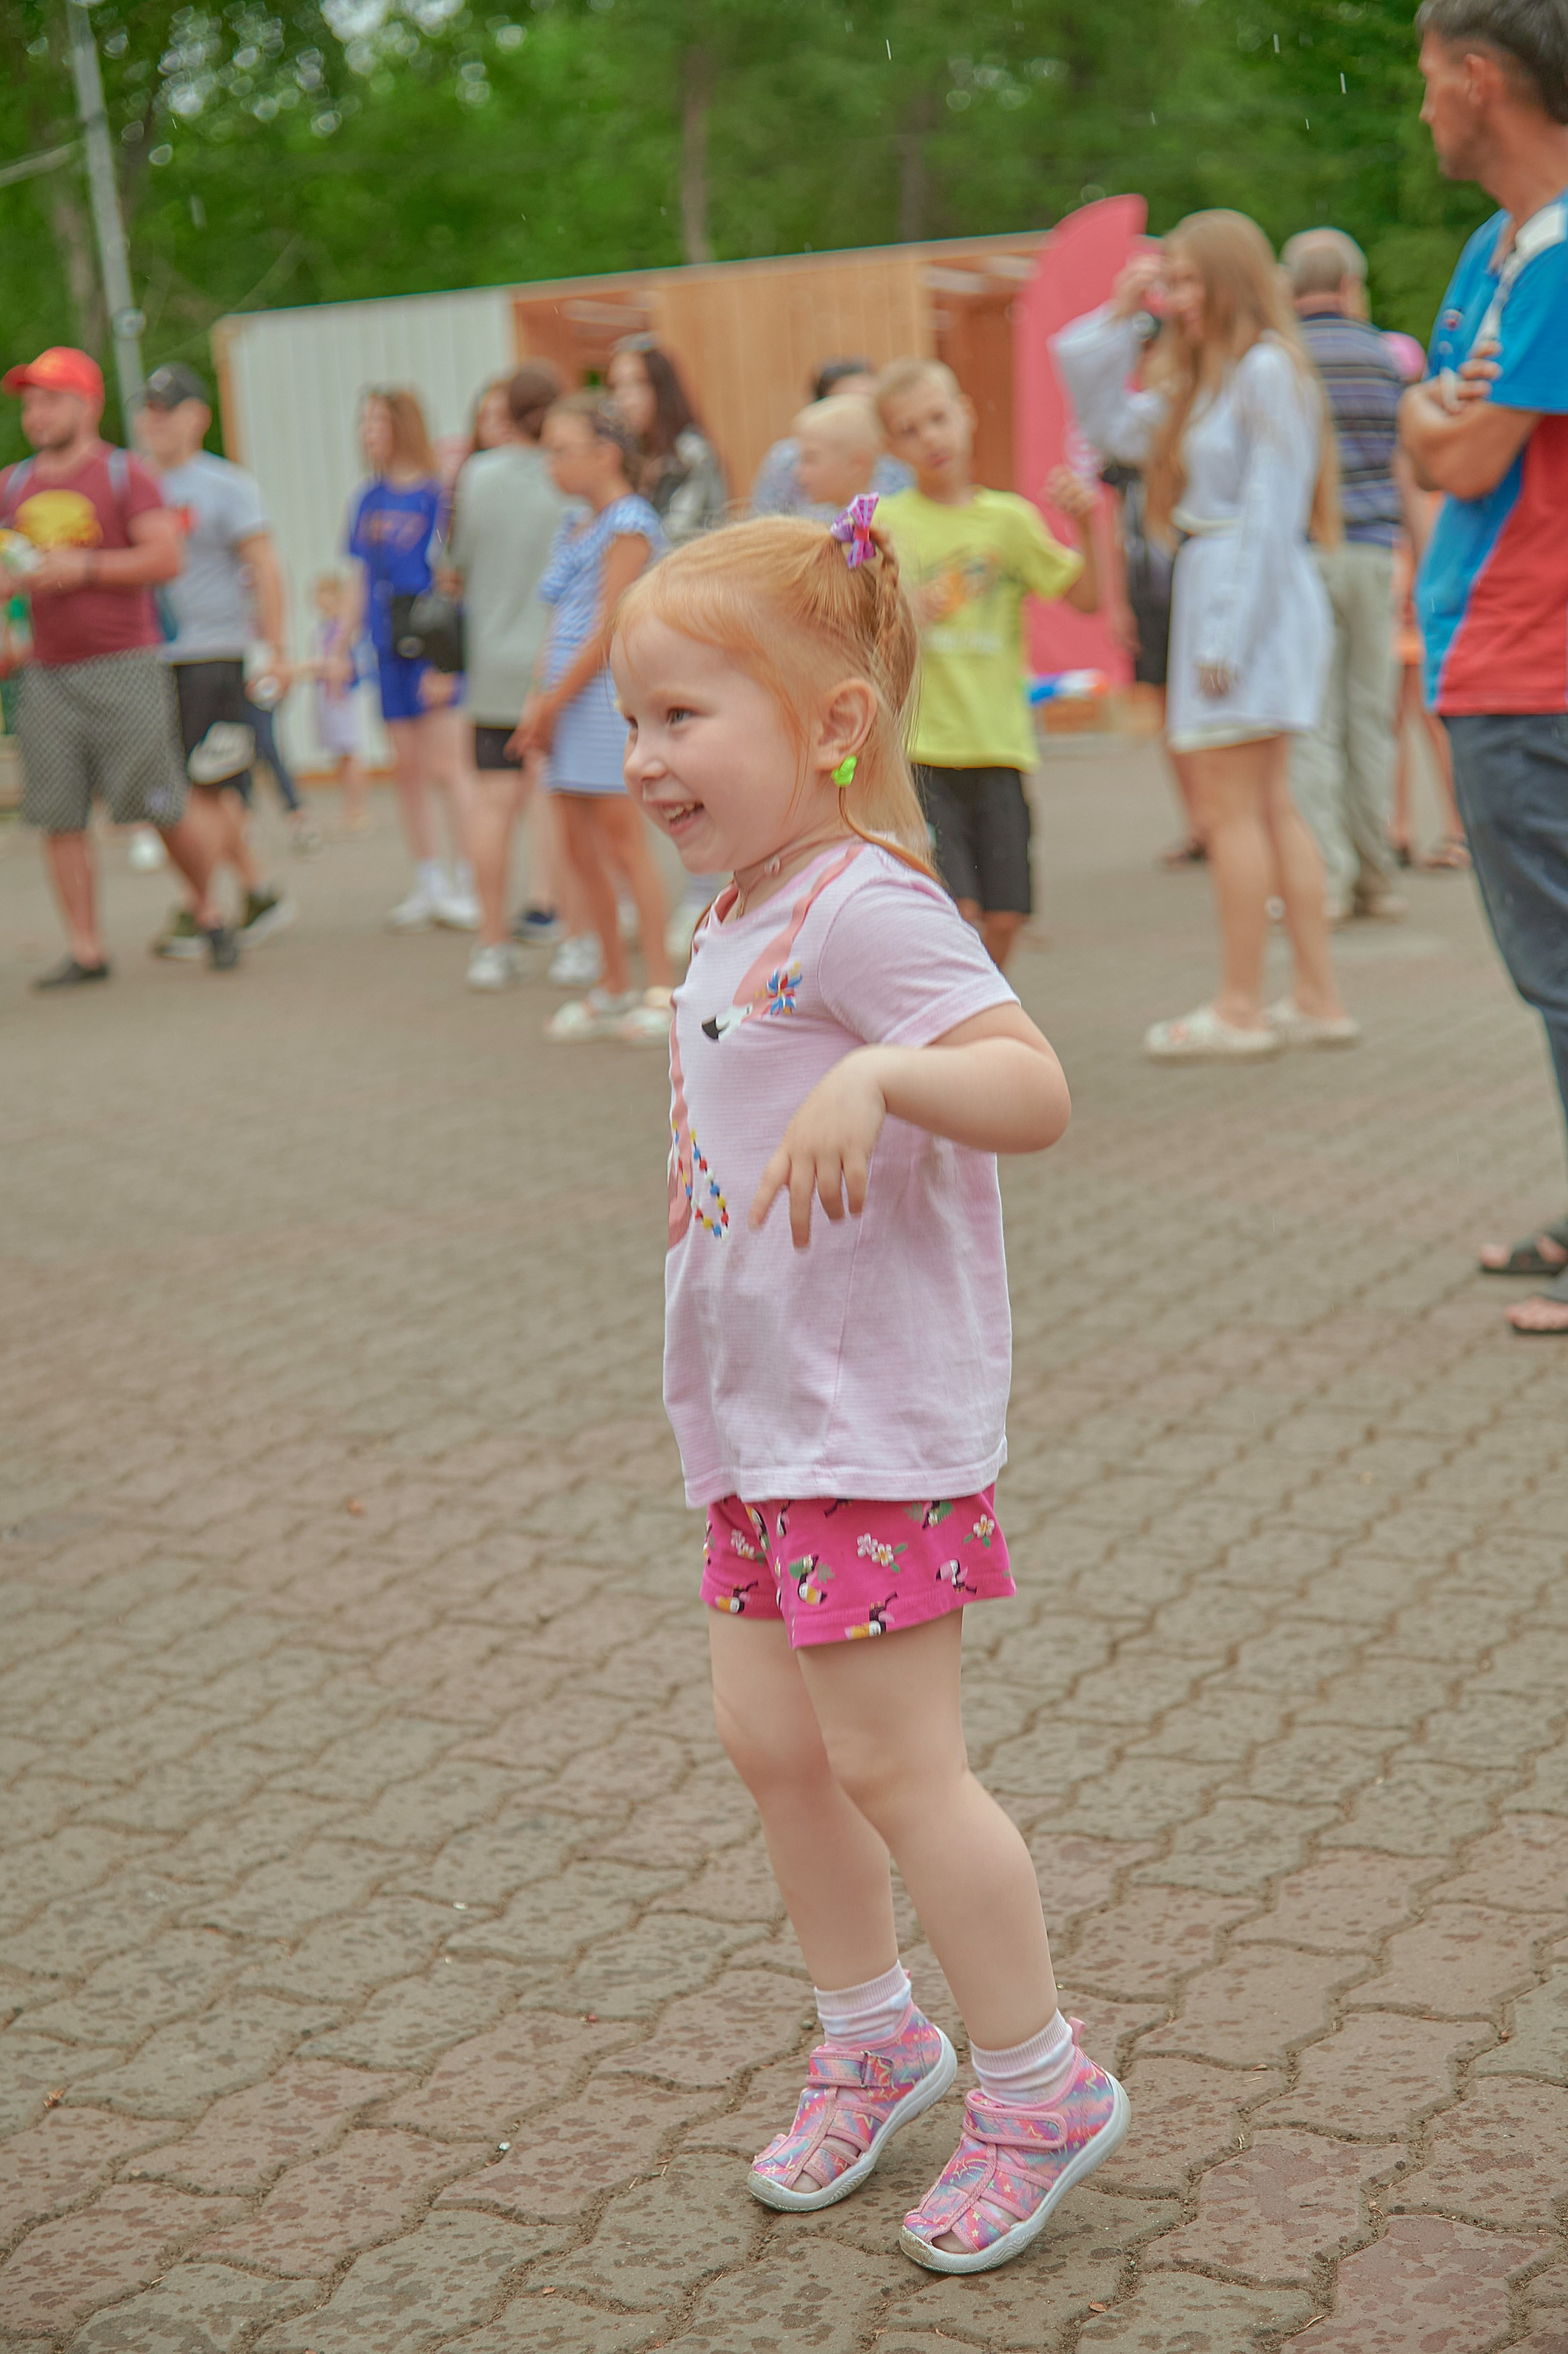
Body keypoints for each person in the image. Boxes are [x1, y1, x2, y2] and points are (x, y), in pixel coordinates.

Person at [609, 509, 1128, 2275]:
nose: (644, 756)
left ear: (831, 724)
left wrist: (893, 1074)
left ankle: (1037, 2080)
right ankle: (870, 2034)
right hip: (756, 1421)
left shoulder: (864, 904)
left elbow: (1031, 1083)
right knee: (775, 1746)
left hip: (865, 1426)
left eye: (685, 715)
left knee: (899, 1766)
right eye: (634, 719)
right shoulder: (737, 906)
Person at [1054, 213, 1358, 1061]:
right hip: (1235, 591)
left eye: (1186, 282)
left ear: (1225, 281)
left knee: (1235, 811)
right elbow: (1113, 427)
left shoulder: (1263, 370)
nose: (1172, 300)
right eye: (1168, 283)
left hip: (1241, 594)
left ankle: (1242, 1005)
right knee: (1265, 804)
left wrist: (1226, 633)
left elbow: (1271, 507)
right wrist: (1116, 321)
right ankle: (1312, 996)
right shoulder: (1215, 377)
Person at [1398, 0, 1568, 1336]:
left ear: (1475, 80)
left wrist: (1439, 420)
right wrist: (1432, 415)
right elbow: (1430, 422)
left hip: (1531, 656)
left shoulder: (1559, 257)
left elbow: (1456, 453)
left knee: (1559, 967)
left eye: (1422, 80)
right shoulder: (1495, 247)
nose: (1417, 109)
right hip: (1492, 652)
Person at [0, 345, 238, 983]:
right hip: (47, 671)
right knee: (58, 812)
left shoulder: (123, 476)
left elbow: (166, 559)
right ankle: (86, 949)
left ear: (86, 404)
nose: (35, 415)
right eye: (29, 404)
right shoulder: (14, 485)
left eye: (50, 400)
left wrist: (84, 567)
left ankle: (209, 907)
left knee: (158, 801)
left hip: (124, 664)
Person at [875, 358, 1101, 973]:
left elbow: (1087, 599)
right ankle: (954, 1022)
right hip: (924, 751)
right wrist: (897, 610)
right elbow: (854, 626)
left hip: (999, 744)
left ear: (967, 416)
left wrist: (1087, 524)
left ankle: (972, 1003)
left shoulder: (1009, 521)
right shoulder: (885, 525)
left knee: (1007, 914)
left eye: (939, 419)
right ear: (891, 446)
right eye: (910, 430)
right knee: (954, 905)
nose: (930, 439)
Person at [512, 393, 672, 1040]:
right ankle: (611, 982)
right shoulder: (572, 525)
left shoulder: (629, 521)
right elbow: (558, 621)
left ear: (604, 454)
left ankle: (660, 984)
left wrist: (553, 701)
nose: (549, 464)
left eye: (560, 450)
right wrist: (538, 696)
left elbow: (610, 624)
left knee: (622, 844)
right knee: (577, 849)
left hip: (601, 698)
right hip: (561, 701)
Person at [134, 361, 296, 958]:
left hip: (214, 652)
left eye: (167, 409)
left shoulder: (225, 485)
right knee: (166, 789)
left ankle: (203, 907)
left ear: (197, 417)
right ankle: (253, 889)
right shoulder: (136, 482)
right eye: (148, 410)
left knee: (207, 787)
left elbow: (265, 567)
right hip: (150, 655)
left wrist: (275, 651)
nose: (155, 421)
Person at [1280, 229, 1413, 925]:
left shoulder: (1282, 359)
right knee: (1371, 716)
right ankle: (1376, 876)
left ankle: (1325, 879)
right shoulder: (1381, 356)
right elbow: (1405, 465)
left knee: (1314, 722)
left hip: (1305, 553)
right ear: (1350, 283)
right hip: (1374, 552)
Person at [446, 363, 570, 991]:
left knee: (493, 802)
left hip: (492, 663)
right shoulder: (568, 478)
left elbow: (455, 561)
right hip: (561, 663)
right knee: (562, 796)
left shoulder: (475, 475)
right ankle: (575, 935)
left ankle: (490, 945)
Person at [341, 387, 478, 932]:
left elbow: (452, 577)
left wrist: (446, 661)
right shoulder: (367, 500)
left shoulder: (434, 496)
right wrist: (338, 647)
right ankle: (430, 880)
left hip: (430, 642)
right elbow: (358, 578)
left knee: (449, 765)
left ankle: (473, 878)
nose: (367, 431)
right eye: (363, 421)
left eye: (377, 420)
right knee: (407, 769)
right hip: (385, 641)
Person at [751, 358, 915, 515]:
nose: (862, 412)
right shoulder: (786, 459)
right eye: (845, 404)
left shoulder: (901, 462)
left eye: (869, 403)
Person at [605, 338, 728, 544]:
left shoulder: (691, 452)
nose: (624, 397)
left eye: (638, 383)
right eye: (617, 386)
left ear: (662, 388)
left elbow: (677, 536)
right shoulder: (625, 453)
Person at [304, 572, 371, 829]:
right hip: (326, 698)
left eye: (326, 594)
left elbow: (351, 665)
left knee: (350, 750)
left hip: (343, 697)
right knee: (338, 754)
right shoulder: (321, 629)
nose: (321, 600)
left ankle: (358, 808)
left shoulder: (344, 630)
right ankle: (348, 805)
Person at [793, 394, 884, 518]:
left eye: (811, 459)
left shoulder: (883, 525)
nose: (797, 470)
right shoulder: (819, 520)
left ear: (857, 464)